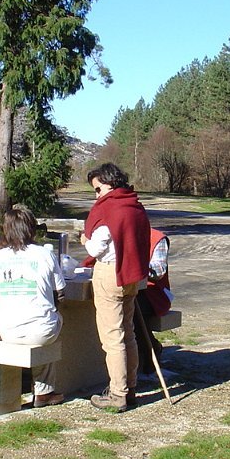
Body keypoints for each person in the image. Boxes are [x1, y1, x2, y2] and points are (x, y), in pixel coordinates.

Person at [82, 163, 151, 413]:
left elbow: (96, 248)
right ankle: (129, 388)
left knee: (113, 337)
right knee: (127, 333)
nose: (96, 196)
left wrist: (85, 240)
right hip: (131, 275)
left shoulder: (110, 209)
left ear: (110, 184)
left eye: (98, 189)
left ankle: (118, 394)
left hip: (110, 273)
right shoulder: (135, 206)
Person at [0, 207, 66, 408]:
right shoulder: (45, 254)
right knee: (52, 320)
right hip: (41, 330)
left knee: (43, 323)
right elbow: (60, 291)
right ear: (31, 228)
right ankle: (44, 391)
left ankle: (31, 390)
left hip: (7, 329)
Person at [135, 227, 171, 375]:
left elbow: (159, 271)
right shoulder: (118, 235)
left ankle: (151, 349)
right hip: (129, 289)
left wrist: (136, 267)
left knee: (133, 312)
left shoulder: (157, 238)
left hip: (153, 292)